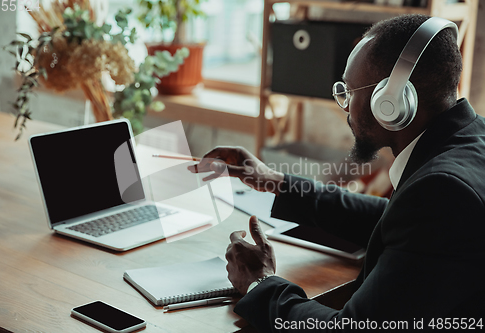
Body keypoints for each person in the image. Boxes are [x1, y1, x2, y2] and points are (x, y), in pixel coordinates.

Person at [189, 14, 485, 332]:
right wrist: (277, 182)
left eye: (350, 90)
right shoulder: (469, 141)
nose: (344, 105)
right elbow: (393, 219)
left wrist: (260, 283)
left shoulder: (442, 192)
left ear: (392, 101)